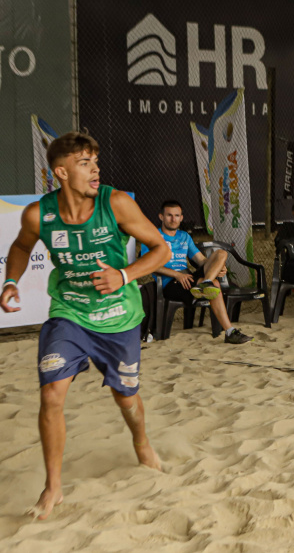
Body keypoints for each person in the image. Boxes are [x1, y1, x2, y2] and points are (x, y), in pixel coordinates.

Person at [0, 131, 171, 519]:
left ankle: (142, 443)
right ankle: (53, 487)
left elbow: (160, 249)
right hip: (69, 313)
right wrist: (11, 280)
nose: (95, 171)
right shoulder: (38, 214)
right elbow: (22, 247)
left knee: (126, 397)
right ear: (61, 172)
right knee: (51, 395)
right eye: (84, 164)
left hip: (118, 317)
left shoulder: (117, 202)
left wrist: (125, 275)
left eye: (96, 163)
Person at [142, 200, 253, 344]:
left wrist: (217, 266)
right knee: (214, 285)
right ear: (161, 217)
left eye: (177, 215)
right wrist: (177, 274)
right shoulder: (152, 236)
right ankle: (229, 330)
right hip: (170, 283)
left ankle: (207, 284)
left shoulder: (184, 237)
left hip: (188, 279)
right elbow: (147, 264)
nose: (173, 219)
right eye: (169, 215)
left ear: (181, 218)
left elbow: (201, 261)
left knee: (221, 254)